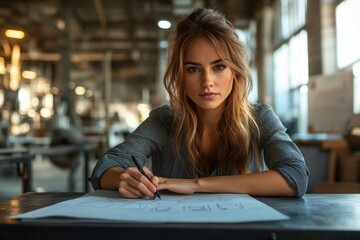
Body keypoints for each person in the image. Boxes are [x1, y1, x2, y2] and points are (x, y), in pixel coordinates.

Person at [91, 8, 309, 199]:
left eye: (219, 67)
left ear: (235, 71)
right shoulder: (164, 121)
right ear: (180, 75)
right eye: (193, 69)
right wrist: (127, 180)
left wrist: (195, 185)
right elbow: (104, 168)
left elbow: (295, 176)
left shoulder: (259, 118)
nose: (207, 82)